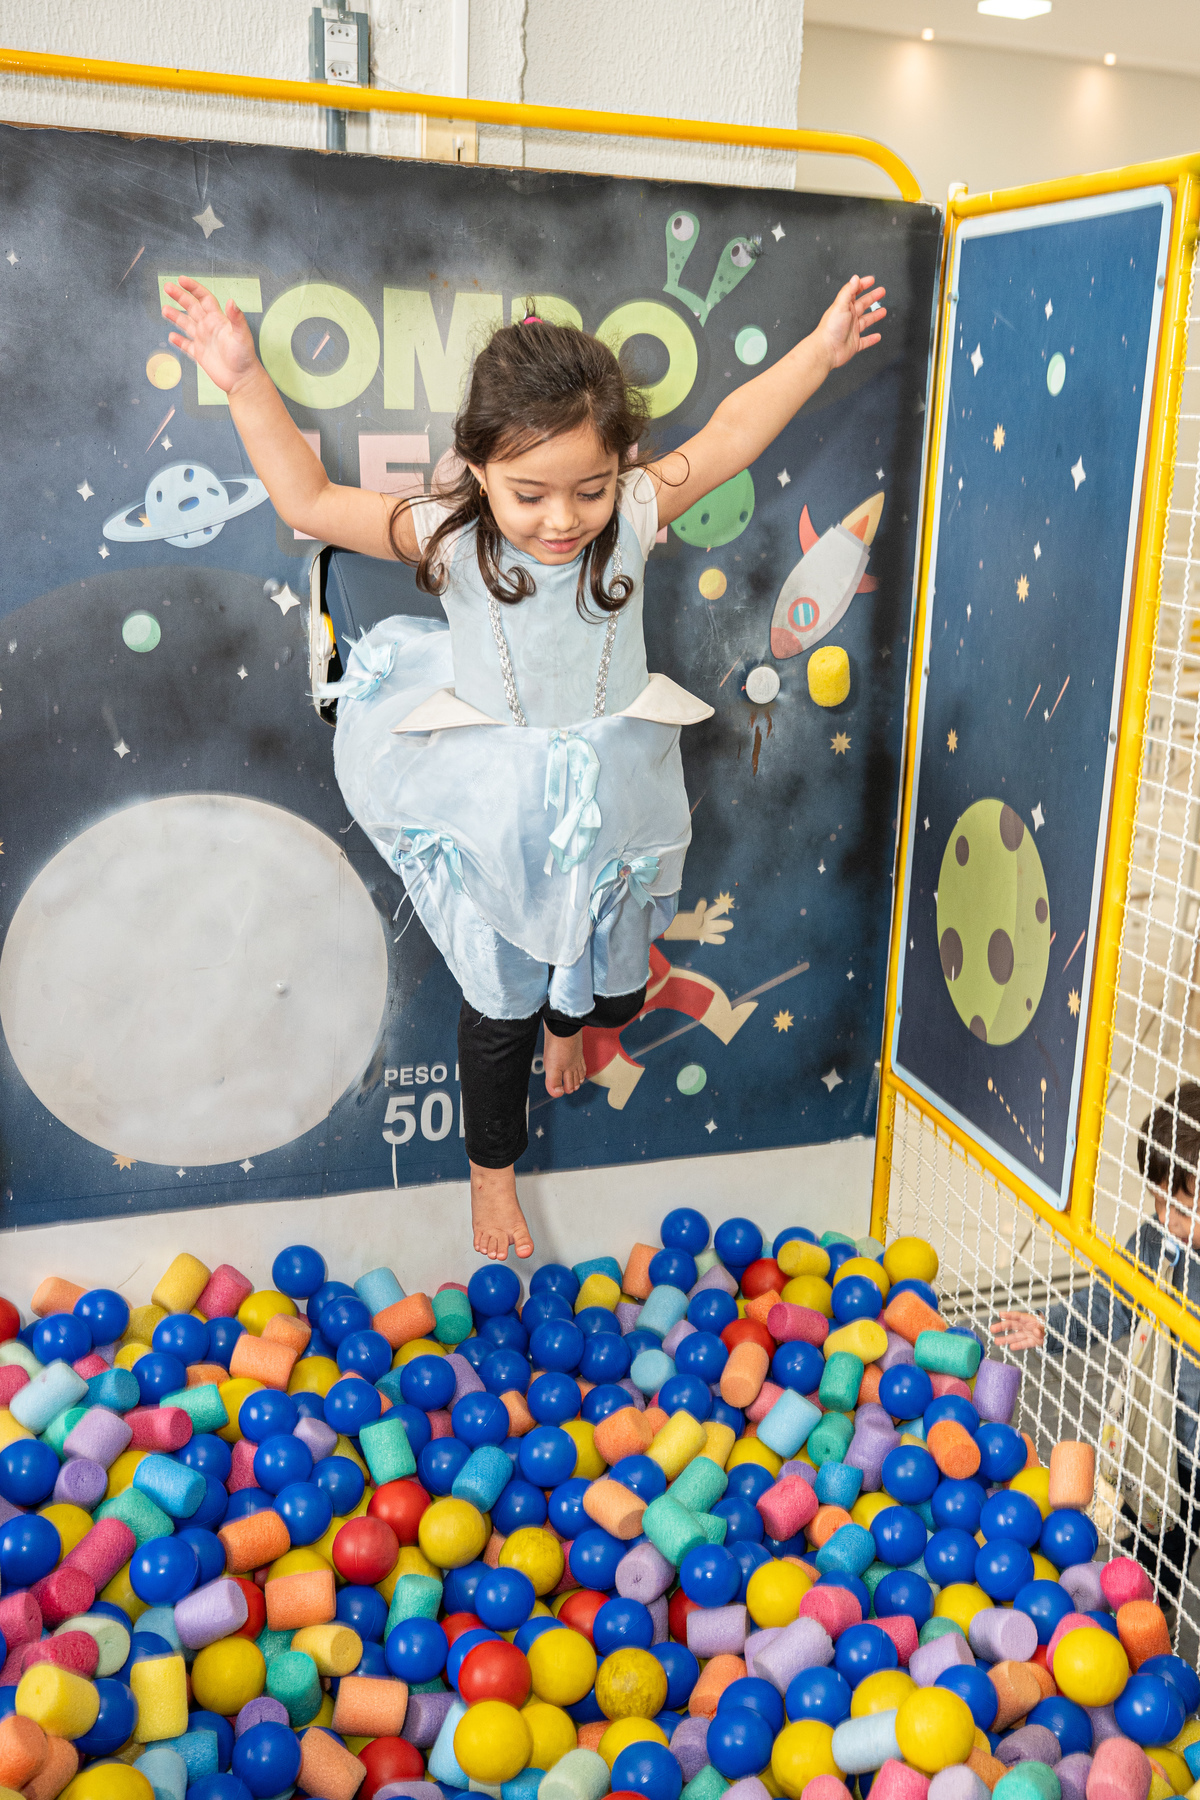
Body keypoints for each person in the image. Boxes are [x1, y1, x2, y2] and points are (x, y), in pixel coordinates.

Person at [161, 271, 887, 1261]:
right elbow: (312, 499)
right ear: (477, 468)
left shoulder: (636, 509)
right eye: (529, 494)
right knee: (500, 997)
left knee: (615, 990)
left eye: (588, 489)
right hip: (497, 798)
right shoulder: (451, 537)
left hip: (613, 785)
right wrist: (245, 379)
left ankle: (571, 1018)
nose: (560, 520)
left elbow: (731, 434)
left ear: (621, 465)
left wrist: (821, 350)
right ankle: (490, 1176)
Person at [992, 1082, 1200, 1598]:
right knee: (1155, 1553)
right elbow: (1111, 1301)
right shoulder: (1156, 1241)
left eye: (1181, 1209)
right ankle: (1144, 1614)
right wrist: (1051, 1326)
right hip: (1167, 1444)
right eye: (1159, 1201)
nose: (1167, 1220)